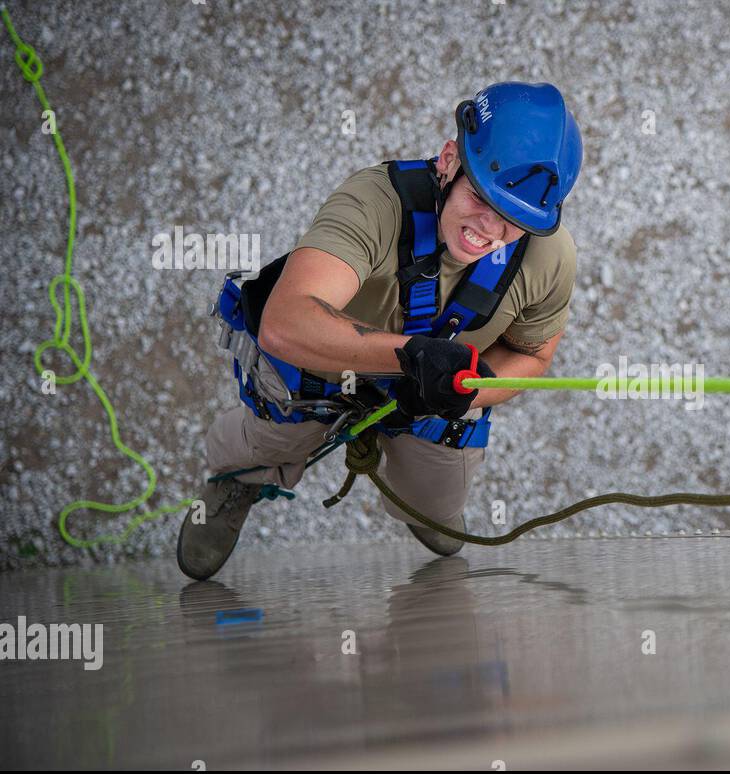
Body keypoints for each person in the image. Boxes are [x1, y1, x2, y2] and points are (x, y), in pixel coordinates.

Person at [177, 81, 582, 581]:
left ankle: (423, 508)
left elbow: (534, 356)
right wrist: (411, 357)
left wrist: (469, 390)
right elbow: (285, 323)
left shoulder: (547, 254)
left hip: (434, 393)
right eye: (480, 197)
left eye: (514, 220)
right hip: (318, 369)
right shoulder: (374, 204)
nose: (491, 230)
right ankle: (236, 480)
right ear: (449, 160)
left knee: (438, 495)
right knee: (267, 441)